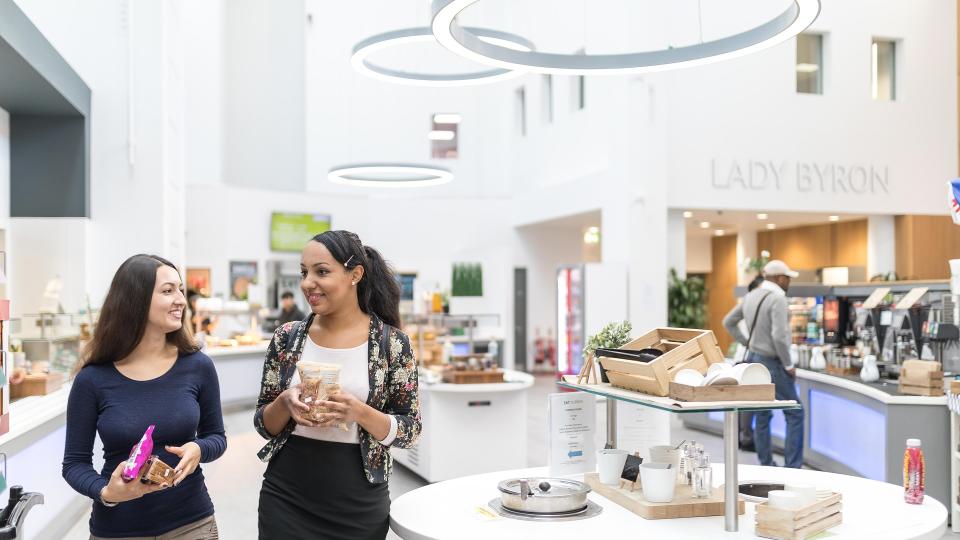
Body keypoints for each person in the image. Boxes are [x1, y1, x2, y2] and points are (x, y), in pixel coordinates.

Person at [255, 230, 421, 539]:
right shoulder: (286, 338)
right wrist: (285, 403)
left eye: (321, 272)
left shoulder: (392, 344)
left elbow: (410, 431)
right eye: (304, 272)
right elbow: (263, 424)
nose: (307, 283)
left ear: (355, 274)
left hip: (357, 502)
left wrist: (359, 412)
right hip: (286, 495)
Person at [62, 254, 227, 539]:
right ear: (134, 301)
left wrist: (199, 449)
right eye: (167, 291)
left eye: (179, 289)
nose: (180, 300)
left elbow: (217, 437)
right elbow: (74, 464)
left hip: (191, 524)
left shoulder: (198, 366)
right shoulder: (93, 379)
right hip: (117, 530)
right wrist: (106, 492)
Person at [722, 260, 804, 468]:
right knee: (795, 412)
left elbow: (728, 322)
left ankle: (766, 462)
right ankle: (793, 467)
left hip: (754, 359)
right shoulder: (777, 299)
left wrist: (746, 341)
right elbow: (779, 336)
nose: (789, 282)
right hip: (773, 363)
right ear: (779, 278)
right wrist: (788, 364)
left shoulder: (750, 296)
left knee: (762, 413)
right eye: (787, 278)